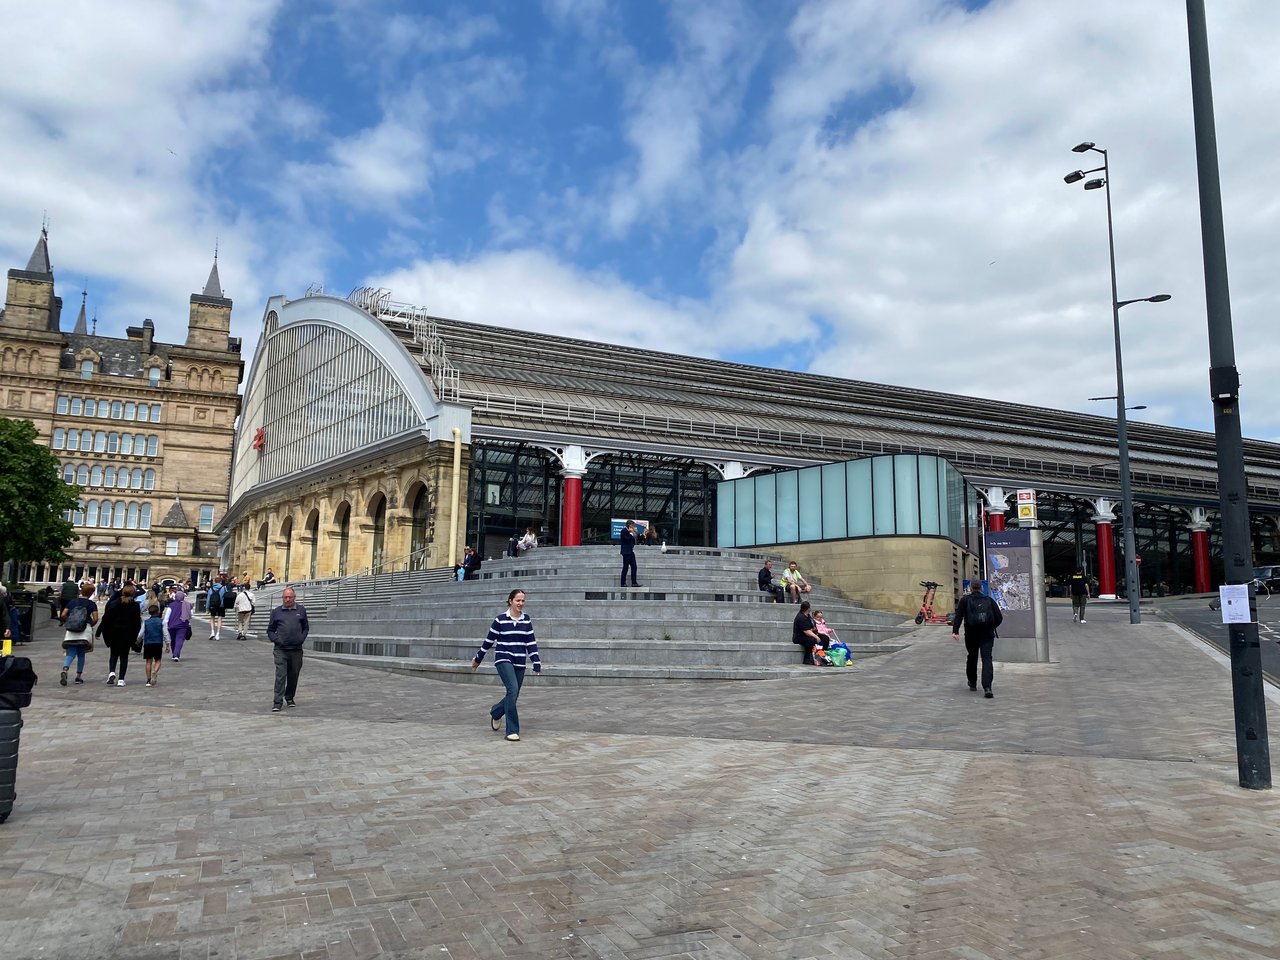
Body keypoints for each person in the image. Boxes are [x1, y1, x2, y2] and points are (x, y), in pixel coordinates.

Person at [472, 589, 542, 741]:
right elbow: (489, 641)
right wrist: (478, 658)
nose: (521, 603)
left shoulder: (526, 620)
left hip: (519, 661)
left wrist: (536, 661)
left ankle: (496, 712)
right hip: (503, 658)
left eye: (523, 601)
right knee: (513, 689)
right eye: (518, 600)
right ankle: (512, 730)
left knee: (513, 694)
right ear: (510, 601)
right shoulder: (500, 620)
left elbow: (530, 642)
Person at [952, 581, 1004, 698]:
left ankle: (972, 682)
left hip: (971, 634)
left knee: (972, 656)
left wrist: (955, 631)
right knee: (987, 659)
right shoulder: (989, 600)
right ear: (981, 588)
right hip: (987, 634)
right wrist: (991, 626)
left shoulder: (965, 601)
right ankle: (987, 687)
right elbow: (999, 617)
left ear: (971, 588)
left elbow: (959, 616)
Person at [268, 587, 309, 712]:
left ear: (294, 597)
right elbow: (270, 630)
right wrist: (276, 640)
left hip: (296, 649)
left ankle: (290, 697)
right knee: (281, 675)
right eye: (285, 597)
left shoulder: (301, 610)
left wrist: (301, 638)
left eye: (290, 597)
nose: (287, 599)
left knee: (294, 674)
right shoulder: (276, 612)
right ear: (282, 598)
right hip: (281, 649)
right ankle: (277, 702)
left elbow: (306, 627)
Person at [97, 585, 142, 686]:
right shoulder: (135, 605)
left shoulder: (114, 603)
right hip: (127, 633)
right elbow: (137, 623)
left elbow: (106, 618)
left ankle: (112, 672)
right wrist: (136, 637)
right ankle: (121, 679)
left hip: (114, 633)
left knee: (113, 654)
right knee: (124, 656)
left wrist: (99, 631)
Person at [59, 581, 99, 686]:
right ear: (91, 593)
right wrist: (90, 624)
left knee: (71, 652)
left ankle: (65, 669)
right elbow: (95, 618)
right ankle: (78, 676)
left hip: (72, 630)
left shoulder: (72, 602)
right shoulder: (91, 604)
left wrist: (69, 621)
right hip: (84, 630)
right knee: (81, 654)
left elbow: (63, 614)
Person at [792, 600, 828, 665]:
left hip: (809, 633)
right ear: (808, 609)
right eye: (810, 607)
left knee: (825, 638)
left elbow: (812, 626)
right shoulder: (801, 617)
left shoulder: (808, 616)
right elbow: (806, 631)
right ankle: (806, 658)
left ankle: (822, 654)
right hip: (799, 637)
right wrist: (816, 637)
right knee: (812, 640)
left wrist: (815, 631)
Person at [141, 604, 167, 686]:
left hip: (148, 643)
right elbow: (165, 633)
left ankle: (148, 680)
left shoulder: (146, 622)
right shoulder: (161, 621)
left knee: (148, 661)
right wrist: (168, 643)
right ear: (158, 612)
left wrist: (138, 640)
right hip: (158, 642)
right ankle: (154, 671)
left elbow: (141, 633)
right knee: (158, 660)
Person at [164, 588, 193, 661]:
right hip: (183, 625)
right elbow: (191, 614)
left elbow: (167, 617)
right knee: (180, 639)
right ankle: (176, 654)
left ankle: (174, 654)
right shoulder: (188, 605)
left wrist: (165, 625)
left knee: (173, 640)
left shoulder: (171, 605)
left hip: (172, 625)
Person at [207, 573, 230, 640]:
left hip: (213, 605)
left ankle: (212, 632)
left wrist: (207, 607)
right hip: (221, 605)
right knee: (219, 619)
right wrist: (225, 606)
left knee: (212, 618)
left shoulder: (211, 589)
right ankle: (218, 634)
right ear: (220, 581)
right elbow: (225, 597)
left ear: (215, 581)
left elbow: (208, 598)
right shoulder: (223, 588)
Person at [619, 520, 639, 588]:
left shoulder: (631, 532)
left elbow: (633, 540)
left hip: (630, 551)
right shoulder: (624, 531)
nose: (633, 526)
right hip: (626, 552)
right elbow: (626, 539)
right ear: (629, 525)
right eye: (632, 525)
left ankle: (634, 582)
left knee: (634, 566)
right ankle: (623, 583)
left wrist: (633, 534)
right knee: (625, 567)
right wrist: (630, 533)